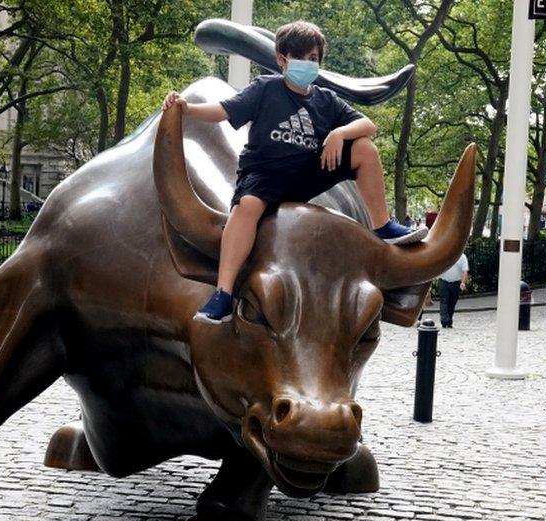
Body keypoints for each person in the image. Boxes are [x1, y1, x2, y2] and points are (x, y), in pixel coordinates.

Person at [162, 20, 428, 324]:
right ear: (282, 59)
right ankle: (223, 294)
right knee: (246, 207)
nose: (307, 63)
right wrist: (186, 109)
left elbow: (368, 125)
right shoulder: (265, 89)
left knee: (365, 149)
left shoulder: (325, 99)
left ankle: (382, 226)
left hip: (305, 174)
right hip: (264, 174)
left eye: (313, 58)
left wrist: (339, 135)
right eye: (300, 56)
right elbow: (223, 109)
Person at [437, 253, 469, 329]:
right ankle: (444, 321)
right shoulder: (444, 255)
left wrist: (463, 282)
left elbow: (465, 271)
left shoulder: (462, 257)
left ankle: (449, 320)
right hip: (443, 281)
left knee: (452, 303)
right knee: (444, 301)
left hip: (456, 283)